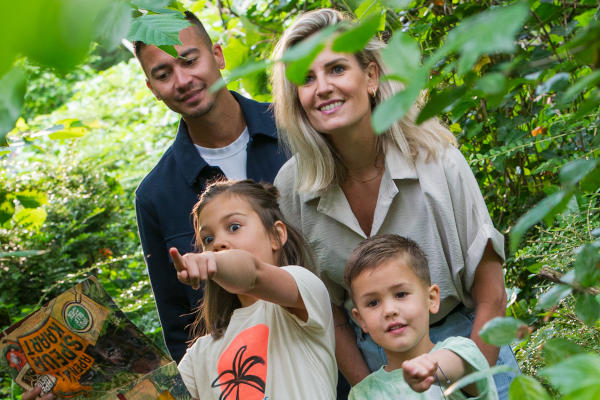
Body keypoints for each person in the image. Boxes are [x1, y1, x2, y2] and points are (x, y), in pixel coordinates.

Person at [271, 8, 518, 399]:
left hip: (471, 344)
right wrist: (371, 387)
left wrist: (468, 383)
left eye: (336, 69)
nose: (322, 88)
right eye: (306, 78)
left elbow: (492, 293)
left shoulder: (437, 159)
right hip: (380, 366)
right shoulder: (293, 186)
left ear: (370, 76)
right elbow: (328, 313)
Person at [134, 11, 288, 363]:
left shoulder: (296, 128)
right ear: (152, 89)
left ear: (217, 55)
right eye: (163, 74)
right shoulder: (156, 195)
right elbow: (180, 329)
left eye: (189, 60)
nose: (182, 79)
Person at [171, 180, 337, 399]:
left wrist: (214, 261)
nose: (219, 242)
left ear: (276, 235)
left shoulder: (304, 291)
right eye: (208, 239)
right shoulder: (199, 356)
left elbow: (252, 273)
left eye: (234, 227)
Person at [345, 234, 498, 400]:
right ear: (361, 320)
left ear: (431, 299)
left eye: (401, 294)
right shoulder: (362, 394)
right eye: (373, 303)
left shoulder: (461, 351)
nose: (389, 310)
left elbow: (458, 366)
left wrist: (430, 367)